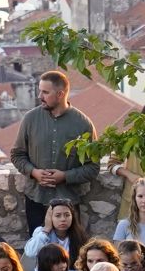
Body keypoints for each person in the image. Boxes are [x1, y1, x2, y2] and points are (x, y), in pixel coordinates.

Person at [11, 69, 99, 232]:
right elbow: (17, 154)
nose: (39, 96)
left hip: (68, 205)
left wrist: (65, 177)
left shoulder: (83, 124)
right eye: (40, 91)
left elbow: (93, 167)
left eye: (45, 92)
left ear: (60, 94)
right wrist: (33, 172)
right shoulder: (30, 119)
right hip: (36, 199)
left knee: (70, 254)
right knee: (39, 251)